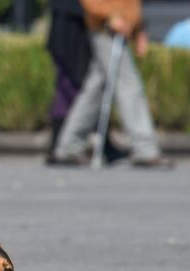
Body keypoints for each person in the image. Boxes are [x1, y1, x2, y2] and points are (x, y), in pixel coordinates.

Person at [51, 0, 173, 168]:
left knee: (97, 87)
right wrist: (109, 17)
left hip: (114, 28)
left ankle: (69, 146)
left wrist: (138, 29)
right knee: (129, 85)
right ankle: (145, 149)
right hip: (107, 29)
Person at [46, 0, 128, 165]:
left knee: (83, 83)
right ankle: (62, 144)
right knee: (74, 82)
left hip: (78, 17)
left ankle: (68, 144)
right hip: (73, 20)